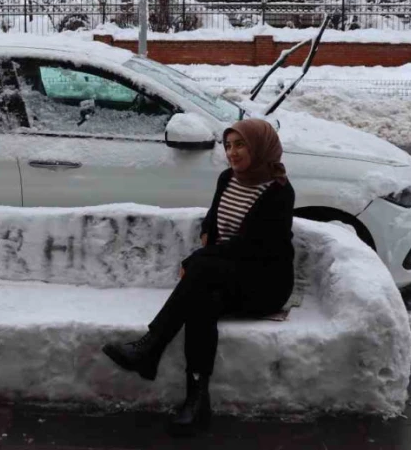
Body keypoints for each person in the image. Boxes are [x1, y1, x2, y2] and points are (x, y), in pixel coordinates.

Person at [102, 118, 296, 437]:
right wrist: (207, 231)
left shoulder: (278, 191)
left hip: (264, 282)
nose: (232, 153)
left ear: (261, 147)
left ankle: (151, 347)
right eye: (228, 145)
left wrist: (198, 258)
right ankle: (197, 399)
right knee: (200, 302)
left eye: (241, 145)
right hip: (225, 272)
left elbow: (251, 246)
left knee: (201, 273)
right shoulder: (227, 179)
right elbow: (214, 216)